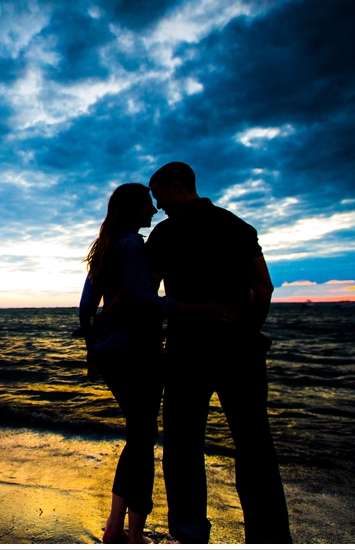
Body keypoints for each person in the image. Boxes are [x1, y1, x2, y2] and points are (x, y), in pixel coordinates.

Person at [145, 162, 292, 544]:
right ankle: (269, 535)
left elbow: (148, 297)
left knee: (182, 443)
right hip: (240, 348)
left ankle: (190, 532)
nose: (157, 205)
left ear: (177, 187)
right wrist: (247, 329)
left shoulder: (164, 234)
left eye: (158, 194)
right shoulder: (237, 226)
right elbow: (264, 288)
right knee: (254, 442)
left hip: (186, 351)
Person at [78, 183, 176, 544]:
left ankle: (116, 526)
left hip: (110, 353)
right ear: (132, 208)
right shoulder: (133, 244)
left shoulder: (103, 248)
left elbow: (85, 309)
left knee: (138, 437)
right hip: (139, 350)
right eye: (147, 205)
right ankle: (131, 534)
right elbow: (143, 300)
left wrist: (93, 351)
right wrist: (188, 308)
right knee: (142, 438)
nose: (153, 210)